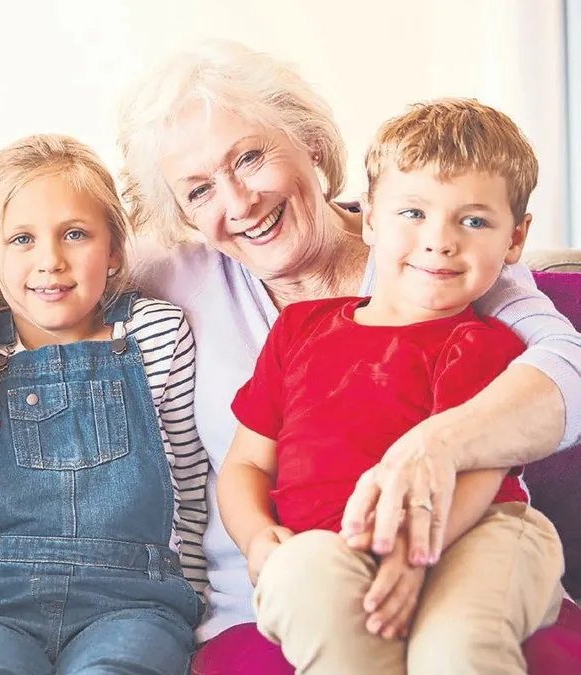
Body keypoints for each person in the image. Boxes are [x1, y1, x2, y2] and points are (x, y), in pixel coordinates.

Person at [0, 41, 581, 673]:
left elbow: (565, 377)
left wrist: (435, 446)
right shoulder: (180, 273)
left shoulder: (430, 249)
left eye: (249, 159)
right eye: (199, 191)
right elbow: (37, 232)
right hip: (267, 598)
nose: (239, 204)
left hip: (461, 566)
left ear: (312, 143)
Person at [222, 98, 565, 675]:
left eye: (474, 220)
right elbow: (246, 466)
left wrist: (415, 555)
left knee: (456, 646)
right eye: (413, 213)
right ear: (369, 215)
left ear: (515, 239)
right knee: (300, 575)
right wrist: (258, 540)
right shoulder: (298, 331)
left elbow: (482, 467)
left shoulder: (483, 343)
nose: (440, 240)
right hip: (332, 548)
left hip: (475, 532)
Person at [0, 134, 208, 675]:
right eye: (22, 239)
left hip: (135, 600)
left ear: (116, 249)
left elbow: (190, 484)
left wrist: (192, 596)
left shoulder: (156, 333)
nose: (50, 261)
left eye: (75, 234)